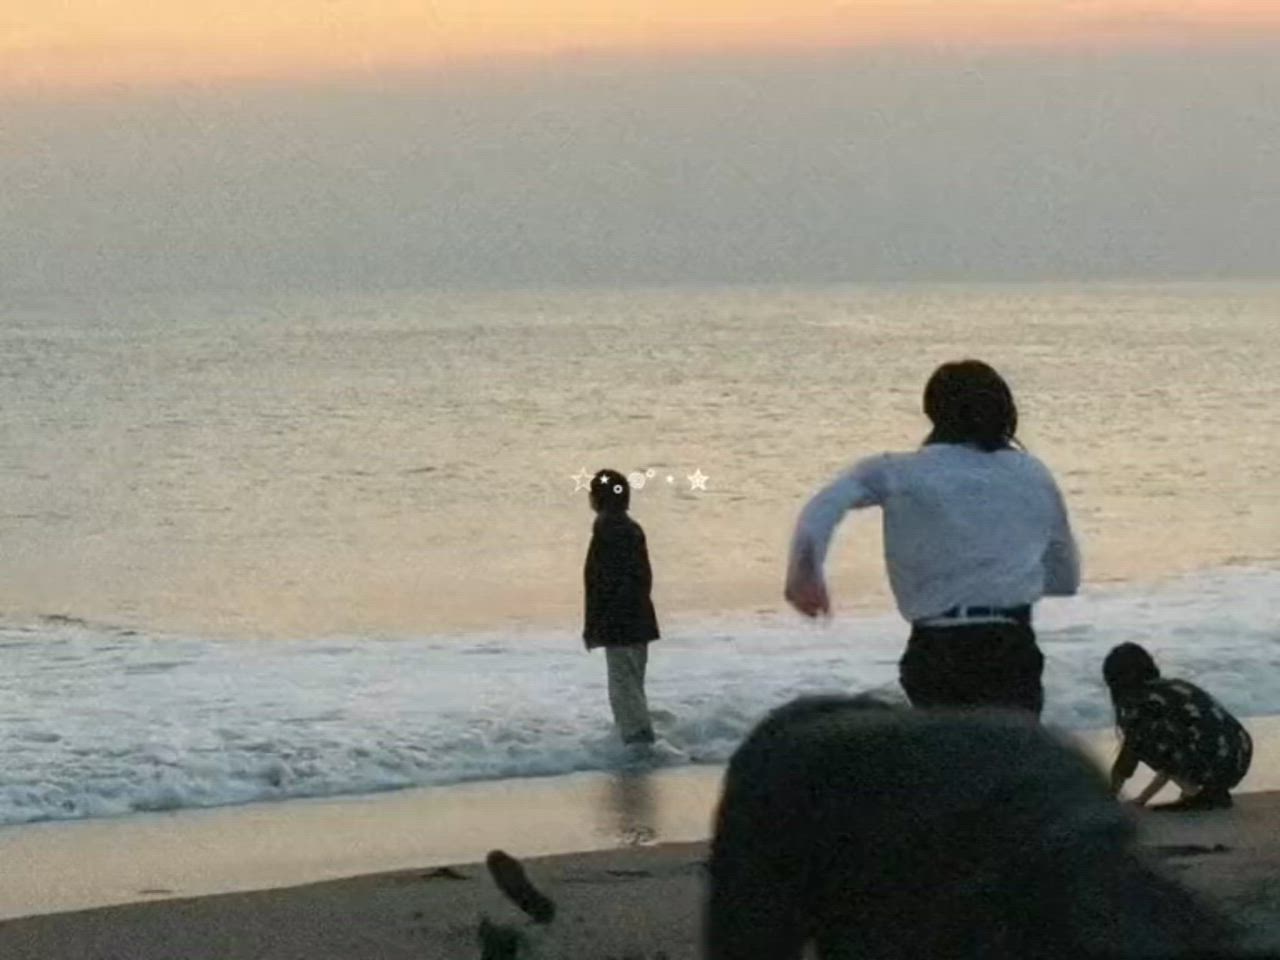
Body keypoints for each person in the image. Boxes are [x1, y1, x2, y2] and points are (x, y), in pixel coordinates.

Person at [704, 695, 1239, 960]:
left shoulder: (776, 778)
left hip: (1011, 800)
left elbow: (749, 941)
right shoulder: (806, 763)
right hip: (1052, 766)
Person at [784, 359, 1079, 716]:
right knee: (1006, 763)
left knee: (945, 761)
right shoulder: (1032, 472)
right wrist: (1001, 574)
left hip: (936, 648)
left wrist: (806, 568)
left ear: (932, 411)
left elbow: (827, 503)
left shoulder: (900, 471)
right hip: (1009, 645)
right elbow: (1066, 576)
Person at [1104, 642, 1253, 812]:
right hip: (1238, 756)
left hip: (1216, 761)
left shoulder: (1141, 702)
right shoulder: (1172, 687)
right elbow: (1173, 751)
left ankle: (1194, 793)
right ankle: (1208, 792)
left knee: (1140, 742)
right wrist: (1142, 800)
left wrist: (1108, 799)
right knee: (1152, 738)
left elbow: (1129, 759)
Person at [583, 469, 662, 750]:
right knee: (633, 687)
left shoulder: (606, 529)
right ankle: (638, 741)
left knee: (624, 691)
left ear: (596, 499)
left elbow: (599, 583)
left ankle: (639, 745)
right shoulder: (631, 528)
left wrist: (594, 626)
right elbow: (642, 578)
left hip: (619, 624)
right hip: (639, 620)